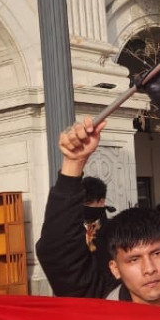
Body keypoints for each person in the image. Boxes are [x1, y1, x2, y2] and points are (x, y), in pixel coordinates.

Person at [35, 118, 120, 298]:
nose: (149, 269)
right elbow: (58, 251)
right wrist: (73, 164)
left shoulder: (117, 231)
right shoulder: (70, 230)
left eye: (156, 253)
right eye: (136, 258)